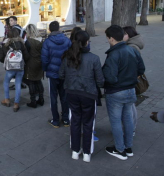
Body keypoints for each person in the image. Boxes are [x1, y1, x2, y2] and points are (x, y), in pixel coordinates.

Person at [59, 31, 104, 163]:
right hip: (88, 94)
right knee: (88, 123)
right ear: (86, 42)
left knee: (75, 121)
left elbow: (61, 74)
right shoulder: (94, 58)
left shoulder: (67, 57)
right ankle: (86, 153)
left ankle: (75, 150)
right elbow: (100, 81)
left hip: (72, 93)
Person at [102, 25, 145, 160]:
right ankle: (128, 147)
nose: (108, 40)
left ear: (112, 38)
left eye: (108, 38)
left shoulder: (113, 54)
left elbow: (110, 77)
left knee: (116, 121)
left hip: (116, 92)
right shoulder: (131, 50)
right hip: (130, 90)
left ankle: (120, 150)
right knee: (127, 119)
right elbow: (141, 69)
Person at [42, 21, 71, 128]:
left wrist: (46, 70)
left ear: (49, 29)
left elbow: (44, 59)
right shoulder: (67, 40)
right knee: (64, 96)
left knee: (53, 98)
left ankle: (55, 120)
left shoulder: (47, 42)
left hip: (53, 74)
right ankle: (66, 119)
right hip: (64, 73)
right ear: (59, 28)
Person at [0, 28, 30, 112]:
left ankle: (7, 100)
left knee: (6, 82)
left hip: (10, 68)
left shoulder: (6, 44)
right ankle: (16, 104)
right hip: (20, 67)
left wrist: (5, 61)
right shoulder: (22, 43)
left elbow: (0, 56)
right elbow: (27, 57)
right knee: (18, 83)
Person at [123, 26, 144, 136]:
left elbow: (137, 65)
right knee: (130, 105)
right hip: (131, 79)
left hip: (130, 79)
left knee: (130, 106)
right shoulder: (131, 45)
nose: (122, 36)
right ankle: (131, 127)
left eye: (124, 34)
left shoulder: (132, 47)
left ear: (129, 35)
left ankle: (132, 129)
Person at [23, 24, 44, 108]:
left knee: (31, 81)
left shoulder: (28, 41)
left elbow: (26, 53)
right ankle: (41, 98)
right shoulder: (41, 40)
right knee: (38, 80)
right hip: (39, 62)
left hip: (30, 63)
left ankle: (33, 101)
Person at [9, 16, 27, 90]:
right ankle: (21, 82)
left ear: (16, 21)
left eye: (12, 20)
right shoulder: (20, 28)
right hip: (22, 49)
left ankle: (18, 84)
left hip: (17, 50)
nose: (10, 22)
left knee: (16, 68)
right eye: (10, 20)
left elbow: (15, 41)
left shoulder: (15, 29)